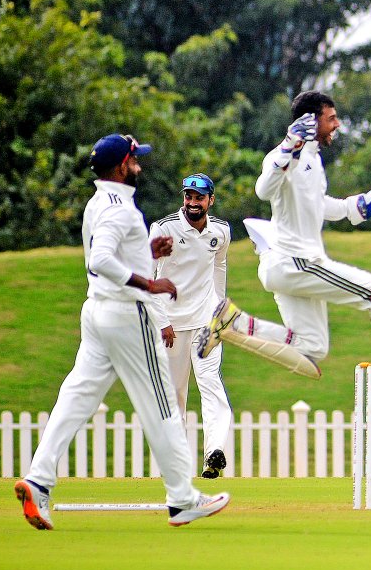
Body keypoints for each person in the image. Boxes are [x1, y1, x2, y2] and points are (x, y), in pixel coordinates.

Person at [14, 134, 230, 530]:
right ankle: (182, 499)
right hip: (127, 314)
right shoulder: (122, 210)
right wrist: (148, 284)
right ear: (120, 167)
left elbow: (107, 255)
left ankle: (38, 480)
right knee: (164, 404)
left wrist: (148, 255)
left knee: (76, 397)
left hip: (95, 312)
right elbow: (100, 260)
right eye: (134, 161)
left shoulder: (99, 202)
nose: (139, 167)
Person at [195, 91, 371, 391]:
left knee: (313, 347)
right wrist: (290, 145)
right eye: (331, 119)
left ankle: (234, 323)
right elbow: (263, 189)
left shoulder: (313, 161)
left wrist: (359, 206)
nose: (337, 124)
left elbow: (316, 204)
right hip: (296, 262)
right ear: (310, 120)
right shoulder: (286, 156)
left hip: (288, 265)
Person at [149, 173, 234, 479]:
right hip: (171, 324)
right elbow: (149, 276)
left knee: (211, 385)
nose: (192, 203)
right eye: (188, 196)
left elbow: (219, 266)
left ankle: (214, 452)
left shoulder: (221, 231)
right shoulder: (164, 228)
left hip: (205, 323)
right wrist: (162, 321)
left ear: (210, 200)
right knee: (175, 396)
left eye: (199, 198)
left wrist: (219, 309)